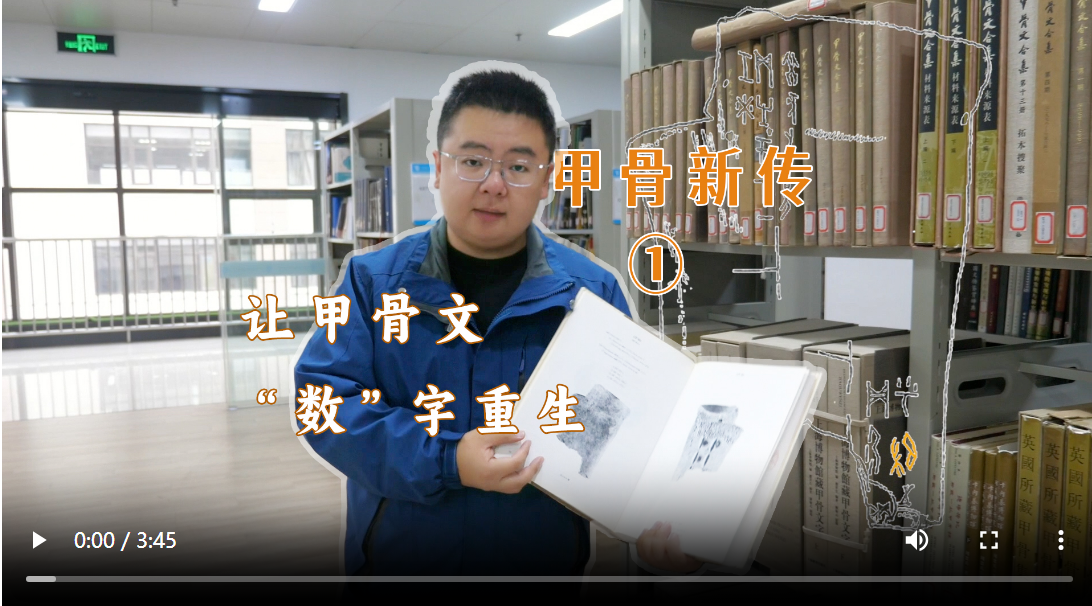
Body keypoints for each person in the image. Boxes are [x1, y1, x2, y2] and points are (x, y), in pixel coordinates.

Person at [294, 67, 700, 577]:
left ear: (547, 180)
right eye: (473, 161)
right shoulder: (372, 283)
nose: (494, 185)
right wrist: (446, 460)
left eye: (519, 166)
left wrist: (660, 524)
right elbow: (324, 406)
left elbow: (636, 430)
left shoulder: (591, 293)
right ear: (437, 168)